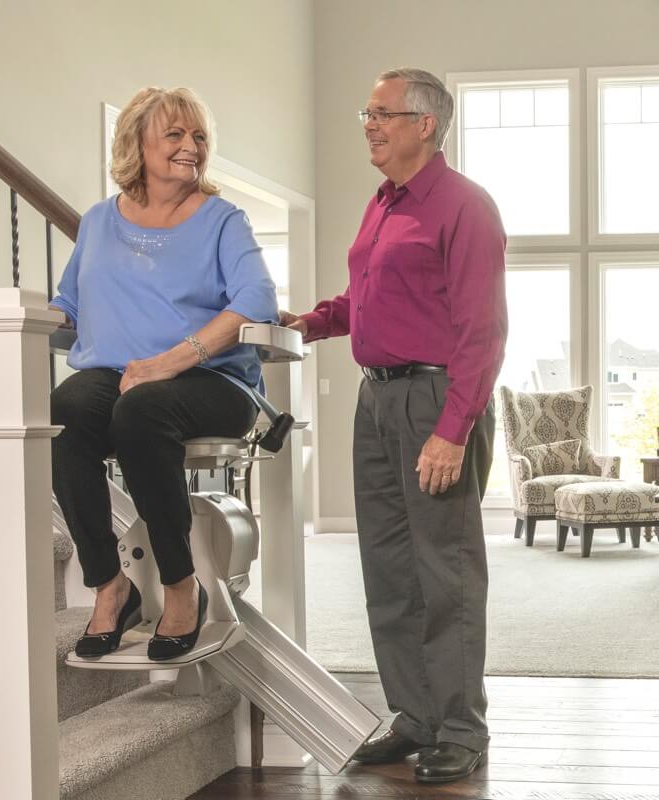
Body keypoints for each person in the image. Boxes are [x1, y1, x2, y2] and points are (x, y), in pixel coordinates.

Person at [282, 68, 507, 783]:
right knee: (386, 565)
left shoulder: (464, 207)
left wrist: (452, 428)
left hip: (436, 399)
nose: (370, 125)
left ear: (426, 124)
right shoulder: (384, 203)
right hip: (375, 400)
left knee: (447, 572)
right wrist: (310, 322)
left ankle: (462, 727)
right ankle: (415, 716)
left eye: (383, 114)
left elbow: (483, 332)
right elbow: (367, 297)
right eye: (367, 113)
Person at [49, 87, 278, 662]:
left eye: (198, 136)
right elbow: (69, 304)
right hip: (123, 375)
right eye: (174, 135)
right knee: (68, 410)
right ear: (137, 144)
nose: (190, 147)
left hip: (215, 381)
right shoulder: (99, 221)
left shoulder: (223, 219)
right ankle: (110, 585)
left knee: (141, 409)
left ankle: (181, 586)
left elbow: (257, 300)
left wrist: (169, 361)